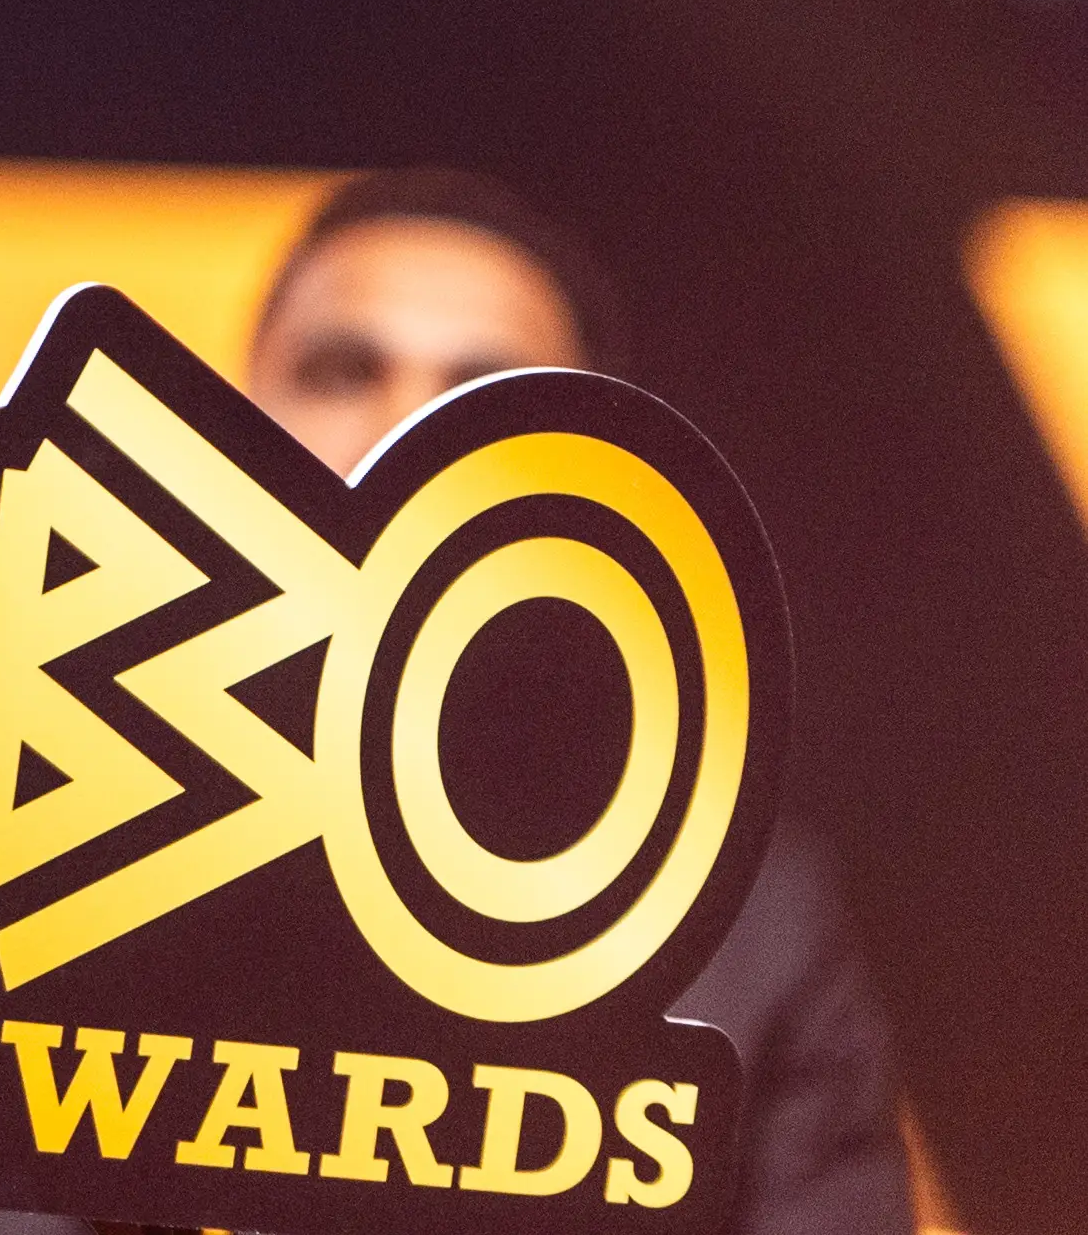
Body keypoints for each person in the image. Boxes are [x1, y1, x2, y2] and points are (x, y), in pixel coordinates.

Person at [242, 170, 912, 1235]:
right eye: (337, 369)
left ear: (597, 474)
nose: (401, 427)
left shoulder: (752, 924)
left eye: (485, 387)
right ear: (224, 420)